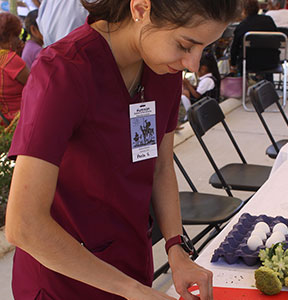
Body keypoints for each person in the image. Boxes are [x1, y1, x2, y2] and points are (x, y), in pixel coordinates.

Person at [5, 1, 240, 299]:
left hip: (131, 267)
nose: (193, 64)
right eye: (185, 45)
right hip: (63, 281)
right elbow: (24, 224)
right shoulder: (63, 71)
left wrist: (175, 247)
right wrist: (133, 291)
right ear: (141, 9)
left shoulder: (162, 70)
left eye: (202, 49)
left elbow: (161, 167)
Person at [230, 0, 279, 80]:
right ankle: (270, 86)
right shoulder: (268, 20)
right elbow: (277, 41)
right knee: (267, 54)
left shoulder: (242, 26)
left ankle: (245, 85)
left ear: (244, 10)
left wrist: (233, 64)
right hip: (271, 62)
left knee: (243, 58)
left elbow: (234, 48)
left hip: (249, 63)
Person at [0, 12, 29, 124]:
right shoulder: (11, 60)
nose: (19, 39)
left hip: (3, 123)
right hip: (19, 121)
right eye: (17, 35)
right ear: (11, 36)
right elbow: (36, 85)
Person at [181, 52, 221, 117]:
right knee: (185, 91)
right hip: (206, 102)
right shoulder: (209, 78)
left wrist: (188, 84)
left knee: (184, 93)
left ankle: (190, 115)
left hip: (206, 106)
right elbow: (200, 89)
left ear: (203, 69)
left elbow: (197, 95)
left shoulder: (207, 80)